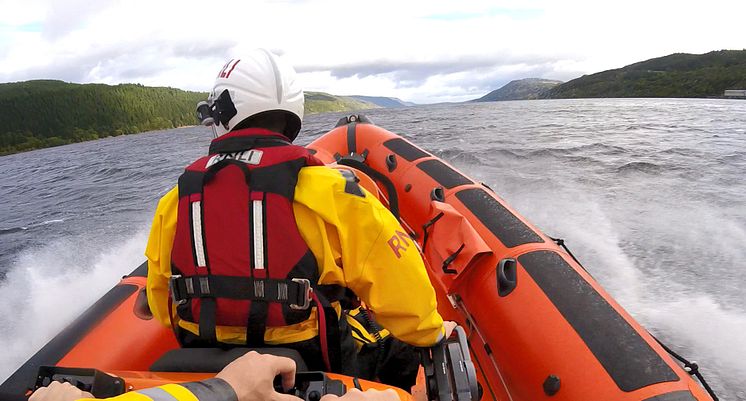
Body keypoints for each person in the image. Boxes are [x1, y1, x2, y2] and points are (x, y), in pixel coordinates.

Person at [146, 49, 454, 380]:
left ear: (222, 112)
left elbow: (162, 301)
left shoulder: (177, 201)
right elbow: (400, 283)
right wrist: (430, 332)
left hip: (209, 373)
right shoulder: (332, 191)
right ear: (293, 111)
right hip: (313, 369)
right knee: (394, 344)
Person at [29, 351, 401, 401]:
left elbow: (153, 304)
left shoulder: (176, 202)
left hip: (191, 350)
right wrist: (227, 389)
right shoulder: (330, 189)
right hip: (302, 352)